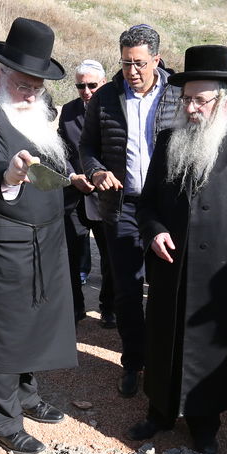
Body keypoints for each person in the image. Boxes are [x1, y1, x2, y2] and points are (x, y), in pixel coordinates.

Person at [129, 46, 227, 454]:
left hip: (221, 276)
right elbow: (148, 203)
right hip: (170, 268)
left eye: (201, 100)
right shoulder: (169, 139)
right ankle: (159, 412)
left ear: (226, 99)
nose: (191, 108)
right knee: (163, 341)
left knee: (213, 348)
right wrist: (153, 230)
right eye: (187, 99)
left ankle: (205, 424)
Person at [0, 17, 78, 454]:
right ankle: (4, 421)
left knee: (32, 322)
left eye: (37, 86)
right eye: (23, 84)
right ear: (0, 73)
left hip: (40, 242)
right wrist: (6, 173)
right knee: (0, 331)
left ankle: (26, 396)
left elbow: (50, 164)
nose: (30, 93)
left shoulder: (35, 108)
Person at [80, 24, 181, 397]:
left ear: (156, 58)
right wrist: (96, 171)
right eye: (125, 64)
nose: (132, 72)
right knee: (126, 289)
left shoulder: (177, 94)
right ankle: (133, 361)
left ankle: (161, 360)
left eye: (139, 63)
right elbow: (87, 146)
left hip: (165, 209)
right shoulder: (105, 98)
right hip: (121, 206)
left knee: (164, 288)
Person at [57, 60, 105, 323]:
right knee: (72, 256)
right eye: (80, 85)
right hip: (74, 195)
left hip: (104, 195)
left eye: (91, 85)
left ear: (103, 83)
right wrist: (72, 176)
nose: (85, 90)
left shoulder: (115, 107)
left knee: (110, 258)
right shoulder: (68, 111)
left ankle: (108, 308)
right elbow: (62, 150)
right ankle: (75, 310)